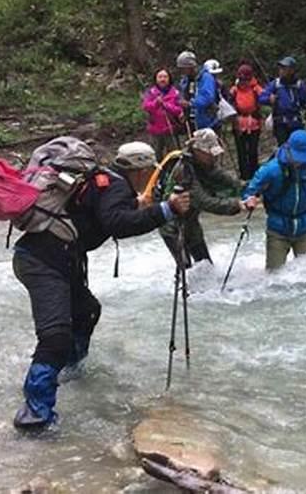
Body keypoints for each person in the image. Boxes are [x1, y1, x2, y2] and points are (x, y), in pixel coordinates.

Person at [11, 137, 190, 430]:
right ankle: (35, 413)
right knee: (55, 336)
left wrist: (140, 205)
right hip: (44, 262)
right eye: (151, 173)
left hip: (52, 258)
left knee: (87, 310)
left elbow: (98, 213)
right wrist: (166, 210)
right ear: (142, 171)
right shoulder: (114, 184)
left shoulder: (102, 180)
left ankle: (71, 369)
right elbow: (117, 223)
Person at [243, 129, 306, 270]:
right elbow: (251, 190)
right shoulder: (271, 169)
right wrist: (250, 199)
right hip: (278, 230)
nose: (299, 162)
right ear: (288, 150)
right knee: (274, 276)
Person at [159, 128, 246, 267]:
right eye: (210, 153)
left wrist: (249, 187)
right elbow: (203, 201)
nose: (214, 157)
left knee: (206, 265)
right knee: (185, 268)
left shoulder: (204, 163)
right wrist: (236, 205)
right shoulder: (183, 170)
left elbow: (223, 177)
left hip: (191, 222)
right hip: (172, 226)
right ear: (198, 150)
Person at [258, 56, 306, 146]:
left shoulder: (299, 85)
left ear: (292, 70)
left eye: (284, 68)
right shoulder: (275, 84)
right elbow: (261, 98)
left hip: (296, 123)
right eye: (280, 68)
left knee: (297, 146)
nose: (281, 70)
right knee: (283, 148)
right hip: (280, 124)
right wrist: (269, 99)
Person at [230, 63, 264, 181]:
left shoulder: (256, 88)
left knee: (253, 151)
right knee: (241, 151)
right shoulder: (234, 90)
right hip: (238, 123)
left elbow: (264, 97)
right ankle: (244, 176)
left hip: (253, 123)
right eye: (241, 78)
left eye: (245, 79)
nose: (243, 82)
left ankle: (254, 175)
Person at [141, 68, 184, 161]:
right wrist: (156, 103)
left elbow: (179, 110)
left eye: (165, 77)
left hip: (171, 129)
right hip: (155, 130)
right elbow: (146, 106)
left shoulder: (175, 93)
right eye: (160, 77)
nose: (162, 79)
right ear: (156, 79)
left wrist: (165, 105)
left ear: (169, 78)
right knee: (155, 157)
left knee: (174, 156)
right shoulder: (151, 92)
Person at [177, 50, 219, 132]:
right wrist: (185, 112)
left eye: (183, 68)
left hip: (207, 121)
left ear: (190, 66)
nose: (182, 71)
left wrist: (191, 103)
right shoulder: (185, 81)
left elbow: (208, 97)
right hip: (192, 121)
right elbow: (185, 95)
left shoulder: (206, 77)